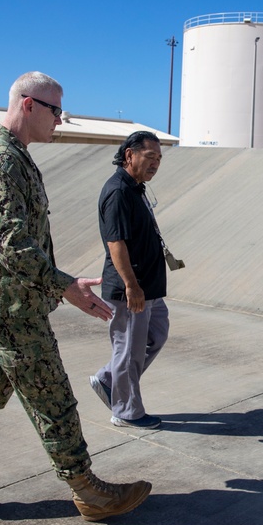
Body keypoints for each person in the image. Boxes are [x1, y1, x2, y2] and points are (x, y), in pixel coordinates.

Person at [0, 71, 152, 522]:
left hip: (1, 303)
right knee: (52, 396)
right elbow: (12, 242)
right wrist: (64, 285)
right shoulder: (1, 161)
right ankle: (88, 489)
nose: (60, 121)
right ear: (28, 105)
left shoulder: (13, 156)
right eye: (56, 111)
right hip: (11, 308)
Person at [89, 131, 170, 429]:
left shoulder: (135, 188)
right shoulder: (118, 192)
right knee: (129, 350)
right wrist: (131, 286)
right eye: (150, 158)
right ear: (129, 156)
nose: (156, 164)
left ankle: (109, 379)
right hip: (131, 290)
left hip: (148, 288)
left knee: (156, 335)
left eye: (159, 159)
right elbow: (116, 243)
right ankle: (126, 411)